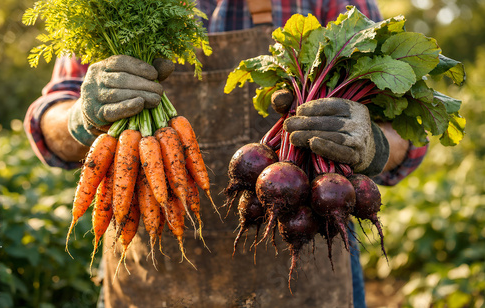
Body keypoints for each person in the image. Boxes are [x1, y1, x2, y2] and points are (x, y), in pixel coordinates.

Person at [24, 0, 428, 307]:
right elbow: (47, 121)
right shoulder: (113, 7)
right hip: (149, 278)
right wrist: (80, 117)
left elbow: (409, 132)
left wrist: (374, 144)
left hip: (311, 262)